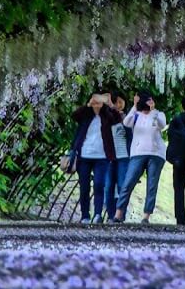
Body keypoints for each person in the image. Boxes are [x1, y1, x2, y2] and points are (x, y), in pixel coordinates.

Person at [112, 91, 166, 224]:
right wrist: (135, 106)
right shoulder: (135, 114)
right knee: (128, 183)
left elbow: (161, 125)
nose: (146, 104)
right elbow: (126, 122)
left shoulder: (159, 114)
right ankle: (118, 214)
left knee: (152, 186)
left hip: (156, 154)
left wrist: (153, 110)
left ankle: (146, 216)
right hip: (137, 153)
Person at [71, 92, 122, 224]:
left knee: (99, 184)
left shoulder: (107, 115)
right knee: (84, 187)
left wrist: (110, 104)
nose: (98, 102)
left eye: (101, 99)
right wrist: (88, 105)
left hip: (102, 156)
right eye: (96, 99)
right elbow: (74, 116)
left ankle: (98, 214)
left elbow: (118, 119)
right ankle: (85, 216)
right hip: (84, 155)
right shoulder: (85, 114)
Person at [166, 96, 185, 225]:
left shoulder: (176, 120)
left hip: (179, 160)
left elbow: (171, 137)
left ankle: (180, 219)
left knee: (178, 190)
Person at [102, 92, 131, 220]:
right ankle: (110, 215)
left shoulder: (128, 118)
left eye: (121, 102)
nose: (119, 105)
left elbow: (131, 134)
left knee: (122, 186)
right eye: (116, 102)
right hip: (109, 157)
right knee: (108, 187)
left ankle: (120, 216)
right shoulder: (107, 118)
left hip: (124, 157)